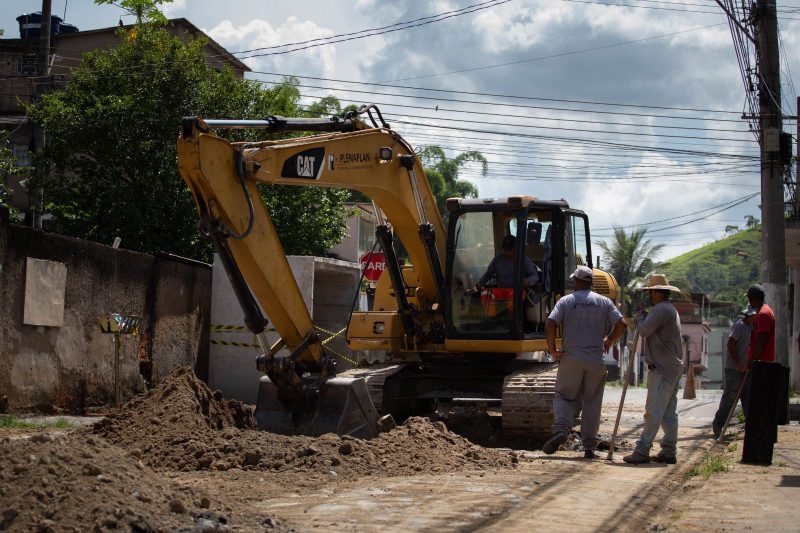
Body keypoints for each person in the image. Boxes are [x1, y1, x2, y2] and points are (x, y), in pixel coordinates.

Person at [542, 265, 627, 459]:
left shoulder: (566, 301)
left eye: (574, 280)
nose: (573, 283)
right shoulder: (604, 302)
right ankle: (589, 447)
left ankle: (562, 429)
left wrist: (552, 350)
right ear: (591, 283)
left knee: (564, 396)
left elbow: (550, 323)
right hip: (595, 360)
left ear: (578, 282)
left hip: (571, 358)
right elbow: (621, 325)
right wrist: (609, 340)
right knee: (592, 402)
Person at [623, 274, 684, 465]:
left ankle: (642, 450)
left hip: (662, 369)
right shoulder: (669, 309)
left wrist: (641, 318)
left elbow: (644, 330)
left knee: (654, 411)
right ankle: (669, 451)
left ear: (658, 292)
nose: (650, 296)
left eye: (651, 292)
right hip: (671, 367)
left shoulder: (660, 310)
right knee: (668, 413)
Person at [711, 306, 756, 438]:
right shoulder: (740, 325)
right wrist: (737, 362)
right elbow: (730, 344)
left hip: (745, 369)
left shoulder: (751, 328)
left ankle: (751, 426)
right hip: (734, 368)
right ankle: (718, 424)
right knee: (730, 397)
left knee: (747, 397)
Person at [475, 234, 539, 318]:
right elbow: (488, 275)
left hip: (517, 289)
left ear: (516, 248)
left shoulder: (524, 260)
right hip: (500, 290)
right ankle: (490, 321)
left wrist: (527, 281)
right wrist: (481, 283)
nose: (506, 252)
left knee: (515, 296)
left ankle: (511, 323)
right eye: (505, 249)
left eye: (509, 250)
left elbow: (535, 276)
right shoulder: (497, 260)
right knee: (485, 294)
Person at [744, 284, 776, 368]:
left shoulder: (763, 314)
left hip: (761, 364)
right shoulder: (764, 311)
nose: (749, 301)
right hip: (761, 363)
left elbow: (761, 343)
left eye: (749, 298)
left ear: (753, 298)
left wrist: (750, 363)